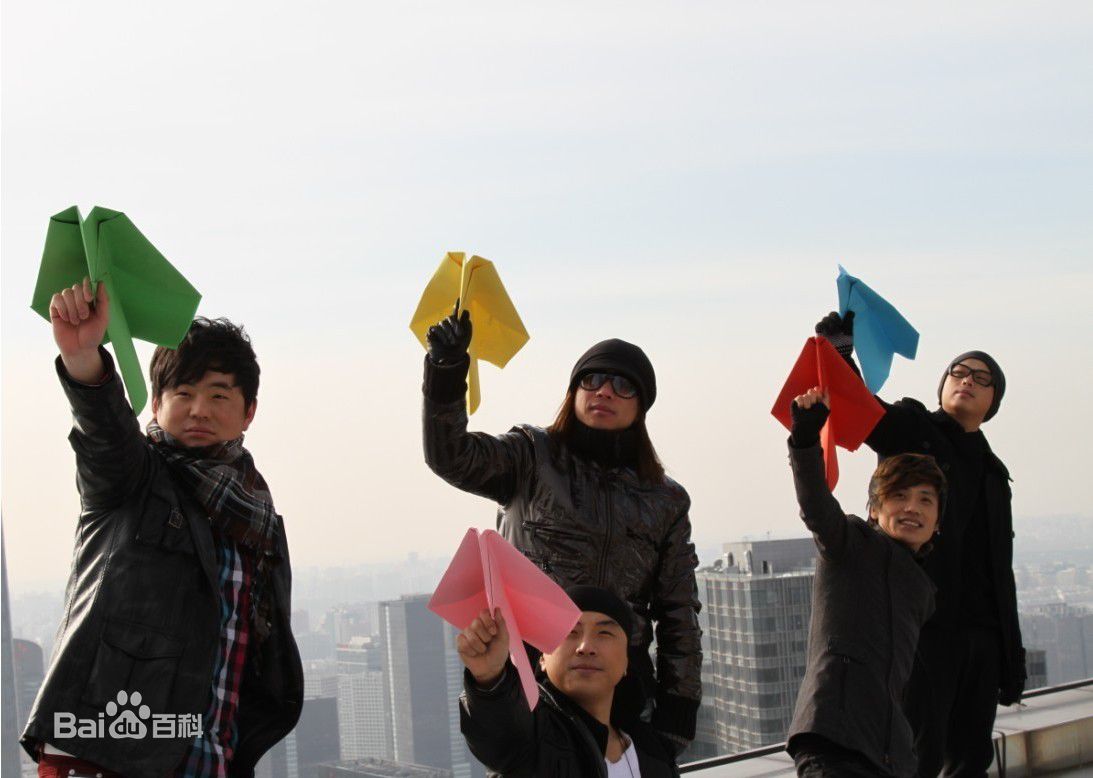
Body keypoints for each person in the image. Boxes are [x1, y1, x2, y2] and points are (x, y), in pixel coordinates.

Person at [21, 279, 302, 778]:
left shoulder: (258, 518)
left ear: (248, 412)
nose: (198, 409)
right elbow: (104, 435)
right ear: (156, 402)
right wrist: (84, 357)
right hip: (108, 755)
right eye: (184, 392)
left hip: (212, 760)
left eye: (219, 395)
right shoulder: (134, 479)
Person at [422, 303, 701, 752]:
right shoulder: (532, 456)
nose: (604, 391)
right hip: (531, 684)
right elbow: (451, 456)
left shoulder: (665, 499)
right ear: (573, 393)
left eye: (622, 384)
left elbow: (678, 613)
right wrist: (447, 369)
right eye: (591, 379)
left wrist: (678, 710)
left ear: (641, 406)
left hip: (620, 693)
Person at [816, 311, 1025, 777]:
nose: (967, 380)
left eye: (982, 378)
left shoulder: (995, 474)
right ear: (943, 385)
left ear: (993, 402)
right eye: (959, 371)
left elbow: (1000, 570)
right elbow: (863, 413)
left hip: (980, 635)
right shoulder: (915, 431)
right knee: (916, 754)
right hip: (922, 626)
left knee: (971, 757)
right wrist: (840, 352)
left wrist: (1009, 656)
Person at [785, 387, 945, 778]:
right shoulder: (851, 543)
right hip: (834, 741)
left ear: (938, 522)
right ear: (874, 509)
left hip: (888, 754)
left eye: (926, 500)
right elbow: (816, 507)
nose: (912, 508)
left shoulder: (922, 590)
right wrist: (806, 439)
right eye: (899, 496)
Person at [458, 584, 681, 777]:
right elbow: (502, 732)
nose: (585, 647)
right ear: (542, 658)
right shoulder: (535, 736)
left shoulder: (653, 750)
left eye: (604, 633)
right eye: (569, 632)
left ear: (625, 663)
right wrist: (490, 678)